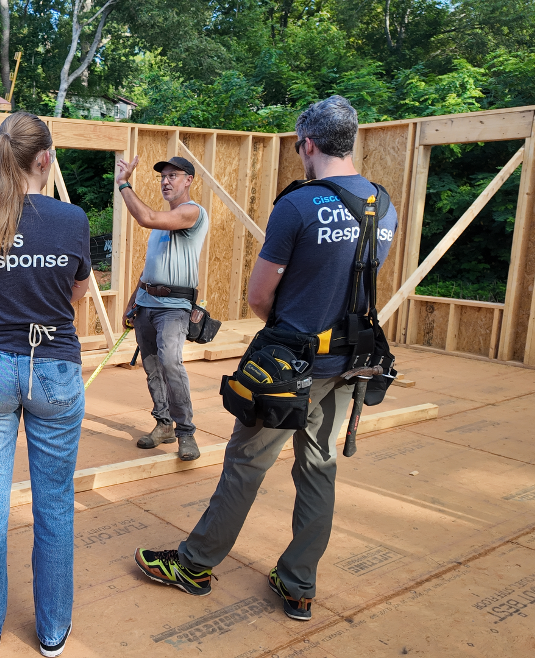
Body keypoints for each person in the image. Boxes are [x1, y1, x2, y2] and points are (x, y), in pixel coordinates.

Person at [134, 95, 398, 622]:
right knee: (318, 468)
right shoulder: (383, 205)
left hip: (292, 365)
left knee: (246, 463)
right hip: (350, 363)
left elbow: (259, 298)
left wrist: (295, 319)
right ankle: (299, 584)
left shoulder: (298, 206)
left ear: (307, 143)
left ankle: (195, 564)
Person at [0, 112, 91, 657]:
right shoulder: (72, 218)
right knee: (54, 505)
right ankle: (52, 632)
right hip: (54, 366)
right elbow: (79, 295)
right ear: (44, 159)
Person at [115, 155, 208, 461]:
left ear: (189, 180)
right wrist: (131, 305)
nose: (166, 181)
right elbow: (148, 271)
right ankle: (163, 424)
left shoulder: (192, 212)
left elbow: (145, 217)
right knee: (153, 367)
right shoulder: (160, 225)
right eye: (162, 177)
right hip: (146, 304)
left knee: (171, 362)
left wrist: (124, 183)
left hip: (173, 307)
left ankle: (186, 432)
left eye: (173, 176)